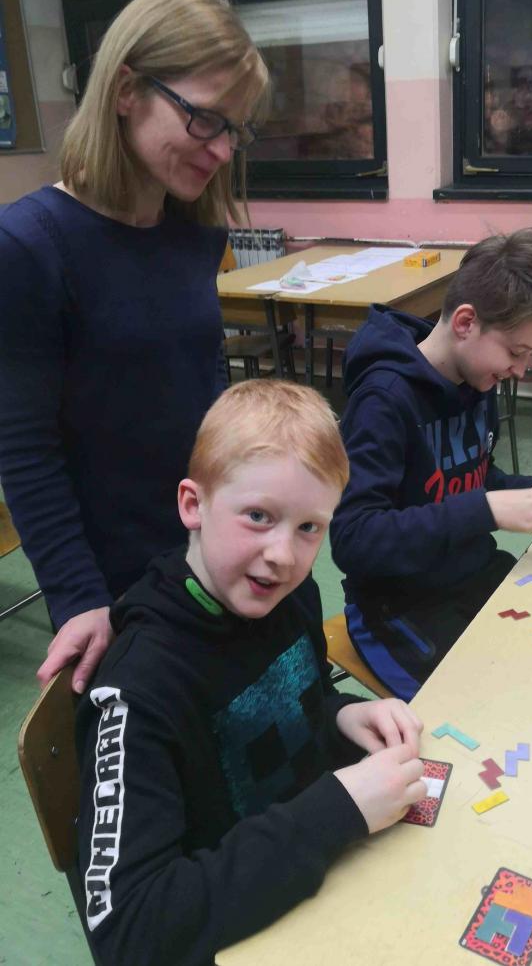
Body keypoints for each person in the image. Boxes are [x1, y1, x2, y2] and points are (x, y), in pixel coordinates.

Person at [76, 379, 426, 966]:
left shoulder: (290, 595)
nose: (283, 555)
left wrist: (342, 715)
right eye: (259, 516)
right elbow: (128, 931)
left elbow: (291, 702)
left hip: (316, 883)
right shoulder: (140, 689)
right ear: (193, 505)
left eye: (309, 528)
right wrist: (336, 810)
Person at [0, 0, 269, 694]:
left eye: (235, 130)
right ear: (126, 90)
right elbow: (25, 448)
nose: (222, 150)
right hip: (114, 576)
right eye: (205, 119)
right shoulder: (30, 246)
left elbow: (202, 378)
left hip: (205, 544)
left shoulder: (194, 232)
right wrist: (76, 596)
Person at [330, 229, 532, 700]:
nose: (520, 370)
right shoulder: (383, 401)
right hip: (397, 607)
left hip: (471, 575)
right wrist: (486, 510)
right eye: (516, 352)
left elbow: (471, 478)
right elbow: (353, 539)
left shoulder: (477, 378)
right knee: (485, 706)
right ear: (466, 322)